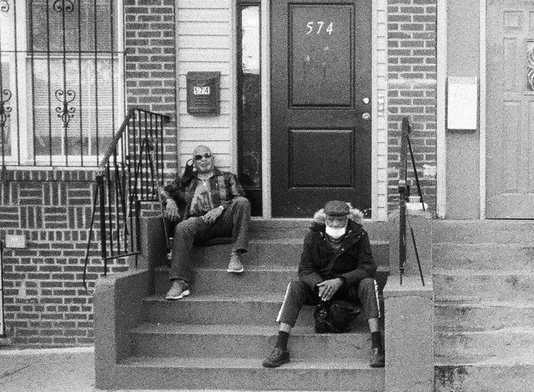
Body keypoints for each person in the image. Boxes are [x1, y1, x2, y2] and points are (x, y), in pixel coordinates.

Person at [263, 200, 384, 369]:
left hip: (348, 287)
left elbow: (367, 267)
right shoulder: (313, 235)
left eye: (340, 220)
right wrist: (320, 285)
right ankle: (280, 347)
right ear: (324, 219)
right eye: (331, 219)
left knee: (368, 283)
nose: (335, 224)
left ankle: (377, 347)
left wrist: (341, 281)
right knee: (295, 285)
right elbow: (305, 269)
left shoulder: (359, 235)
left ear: (348, 219)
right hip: (320, 288)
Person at [158, 145, 250, 300]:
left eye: (207, 155)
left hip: (223, 221)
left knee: (243, 202)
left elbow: (238, 197)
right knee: (183, 227)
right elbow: (161, 189)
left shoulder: (227, 177)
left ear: (213, 158)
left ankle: (236, 254)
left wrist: (220, 208)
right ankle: (180, 282)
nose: (204, 159)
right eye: (199, 157)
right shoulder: (186, 181)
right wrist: (169, 201)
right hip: (200, 223)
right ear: (193, 162)